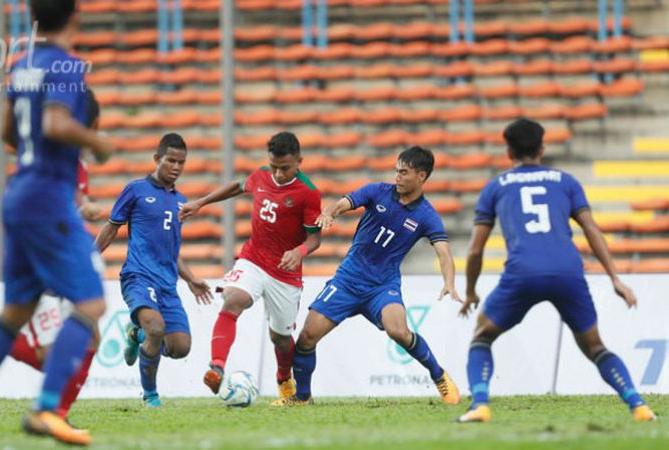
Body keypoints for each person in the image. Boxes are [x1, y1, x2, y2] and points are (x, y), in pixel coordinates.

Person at [0, 0, 114, 447]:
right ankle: (46, 409)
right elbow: (56, 123)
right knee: (91, 304)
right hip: (49, 198)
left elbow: (6, 135)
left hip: (17, 193)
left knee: (17, 311)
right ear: (75, 18)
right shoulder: (68, 66)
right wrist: (95, 142)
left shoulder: (21, 65)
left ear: (34, 18)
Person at [456, 118, 656, 423]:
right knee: (596, 347)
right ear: (543, 148)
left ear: (508, 152)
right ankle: (639, 405)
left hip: (522, 273)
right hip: (568, 272)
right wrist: (615, 277)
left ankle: (479, 405)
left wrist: (471, 292)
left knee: (482, 337)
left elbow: (474, 250)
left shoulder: (495, 187)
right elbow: (591, 229)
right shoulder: (566, 182)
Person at [0, 88, 102, 423]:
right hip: (47, 246)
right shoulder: (53, 155)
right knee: (49, 353)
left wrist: (85, 209)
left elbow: (71, 201)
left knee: (89, 335)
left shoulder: (70, 162)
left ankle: (56, 412)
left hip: (51, 236)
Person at [272, 146, 461, 406]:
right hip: (347, 280)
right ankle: (302, 397)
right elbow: (343, 203)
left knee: (399, 332)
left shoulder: (427, 215)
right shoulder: (377, 192)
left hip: (382, 286)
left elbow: (444, 253)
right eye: (396, 171)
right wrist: (329, 212)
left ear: (421, 175)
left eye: (404, 173)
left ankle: (439, 376)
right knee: (307, 337)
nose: (397, 177)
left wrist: (449, 283)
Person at [179, 131, 322, 401]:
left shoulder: (308, 193)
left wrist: (299, 251)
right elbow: (237, 186)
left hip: (285, 273)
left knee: (280, 338)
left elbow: (315, 238)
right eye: (274, 167)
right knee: (233, 299)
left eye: (285, 168)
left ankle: (284, 380)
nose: (278, 174)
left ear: (299, 161)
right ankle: (217, 367)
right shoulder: (260, 175)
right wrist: (201, 202)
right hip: (253, 259)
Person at [96, 133, 213, 407]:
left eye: (181, 162)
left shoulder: (180, 201)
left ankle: (136, 334)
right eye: (170, 160)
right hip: (138, 276)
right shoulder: (135, 190)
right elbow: (112, 227)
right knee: (156, 327)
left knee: (180, 347)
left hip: (167, 283)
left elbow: (170, 250)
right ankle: (150, 396)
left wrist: (191, 279)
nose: (176, 167)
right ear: (157, 159)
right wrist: (89, 258)